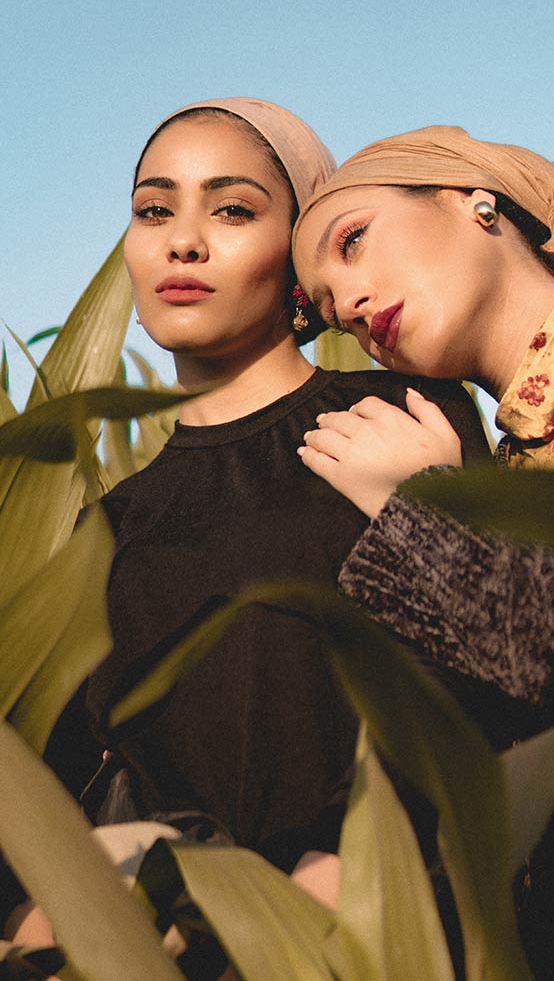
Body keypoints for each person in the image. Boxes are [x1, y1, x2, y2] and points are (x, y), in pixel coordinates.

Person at [2, 104, 489, 956]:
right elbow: (39, 808)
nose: (181, 242)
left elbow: (484, 687)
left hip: (376, 937)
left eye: (232, 209)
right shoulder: (106, 532)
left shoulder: (402, 418)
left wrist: (334, 887)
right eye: (155, 210)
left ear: (299, 253)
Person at [291, 125, 554, 979]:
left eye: (354, 242)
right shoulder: (486, 463)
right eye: (330, 310)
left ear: (475, 200)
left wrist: (423, 512)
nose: (353, 307)